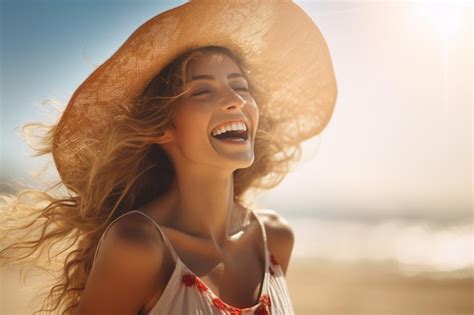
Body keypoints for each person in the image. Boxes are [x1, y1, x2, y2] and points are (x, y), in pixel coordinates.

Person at [0, 1, 337, 314]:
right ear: (161, 127)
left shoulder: (275, 239)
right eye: (203, 91)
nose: (236, 100)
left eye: (241, 86)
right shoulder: (137, 247)